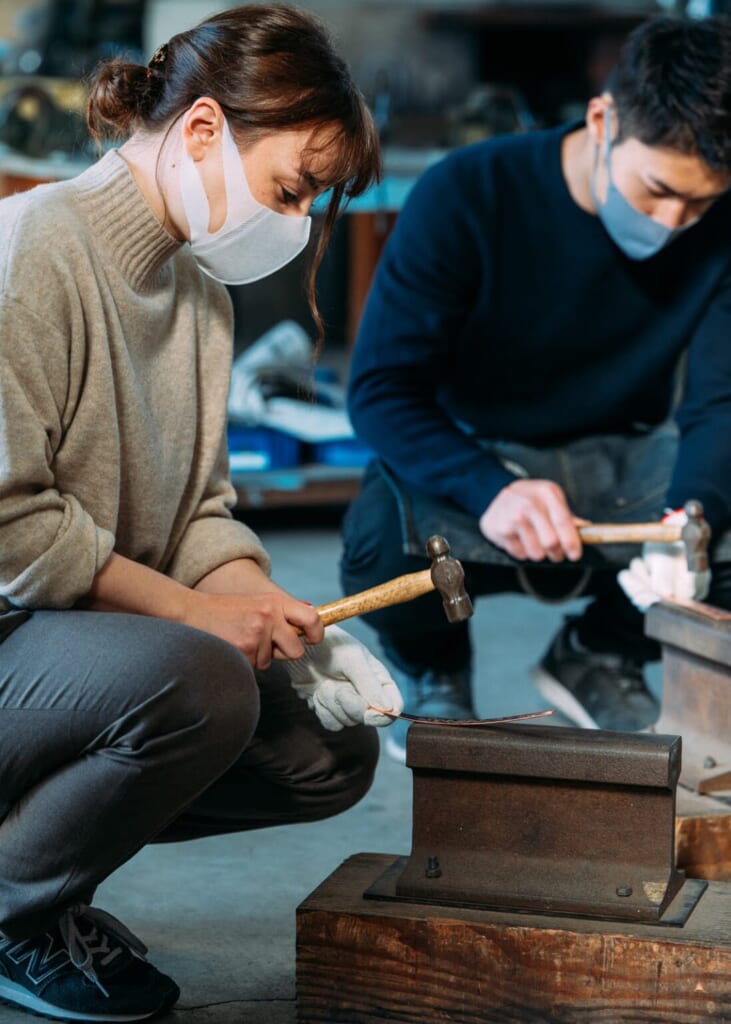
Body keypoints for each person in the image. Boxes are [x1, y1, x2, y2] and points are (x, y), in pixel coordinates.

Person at [0, 5, 404, 1021]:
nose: (297, 220)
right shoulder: (29, 249)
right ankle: (15, 904)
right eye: (291, 188)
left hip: (74, 645)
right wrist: (195, 619)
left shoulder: (197, 299)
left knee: (327, 747)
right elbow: (10, 530)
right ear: (200, 131)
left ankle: (48, 879)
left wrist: (266, 604)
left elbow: (199, 513)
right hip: (14, 625)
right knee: (201, 679)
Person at [341, 14, 731, 764]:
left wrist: (692, 516)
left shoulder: (717, 228)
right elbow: (383, 390)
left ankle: (597, 651)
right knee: (376, 545)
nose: (675, 222)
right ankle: (435, 667)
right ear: (601, 117)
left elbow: (720, 401)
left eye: (701, 203)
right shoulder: (468, 192)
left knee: (723, 531)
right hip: (476, 449)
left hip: (622, 454)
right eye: (655, 191)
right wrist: (489, 488)